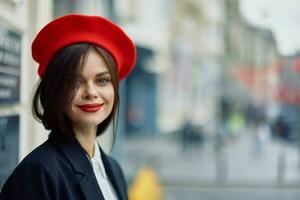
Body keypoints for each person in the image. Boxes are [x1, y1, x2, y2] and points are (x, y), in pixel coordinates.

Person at [0, 13, 136, 200]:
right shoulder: (38, 173)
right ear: (55, 90)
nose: (91, 92)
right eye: (75, 82)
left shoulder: (113, 169)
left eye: (102, 80)